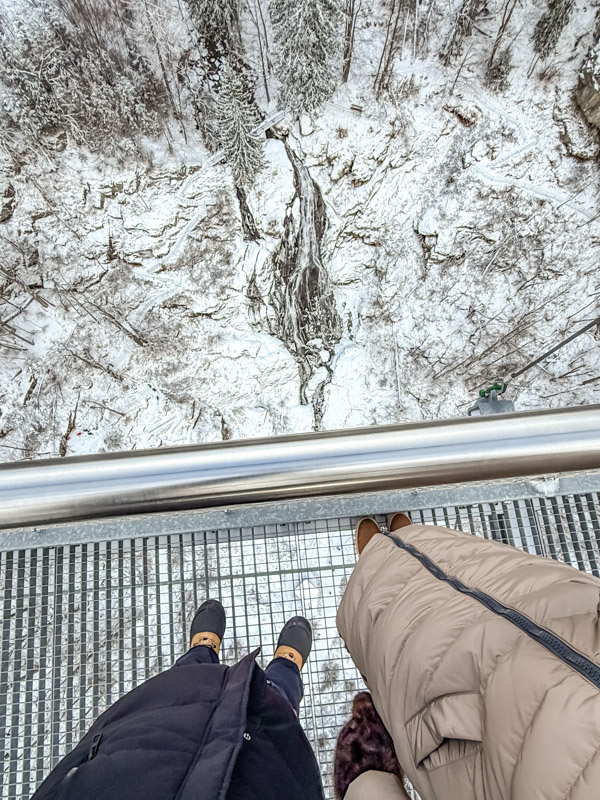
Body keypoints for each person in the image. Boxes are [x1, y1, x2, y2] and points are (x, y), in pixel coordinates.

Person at [336, 512, 600, 799]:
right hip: (560, 614)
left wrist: (368, 780)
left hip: (482, 731)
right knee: (484, 575)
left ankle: (381, 563)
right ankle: (406, 550)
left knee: (405, 645)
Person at [31, 600, 324, 800]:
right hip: (260, 776)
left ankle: (201, 654)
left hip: (134, 764)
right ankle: (286, 667)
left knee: (185, 688)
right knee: (272, 704)